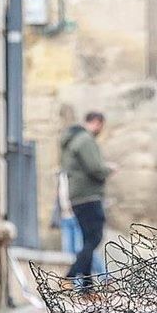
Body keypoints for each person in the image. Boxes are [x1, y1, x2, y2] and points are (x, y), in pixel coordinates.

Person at [60, 112, 114, 291]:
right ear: (96, 123)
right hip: (89, 195)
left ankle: (86, 287)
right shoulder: (85, 140)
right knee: (95, 238)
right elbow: (95, 168)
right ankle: (70, 276)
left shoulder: (72, 140)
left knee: (87, 241)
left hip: (77, 196)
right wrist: (108, 170)